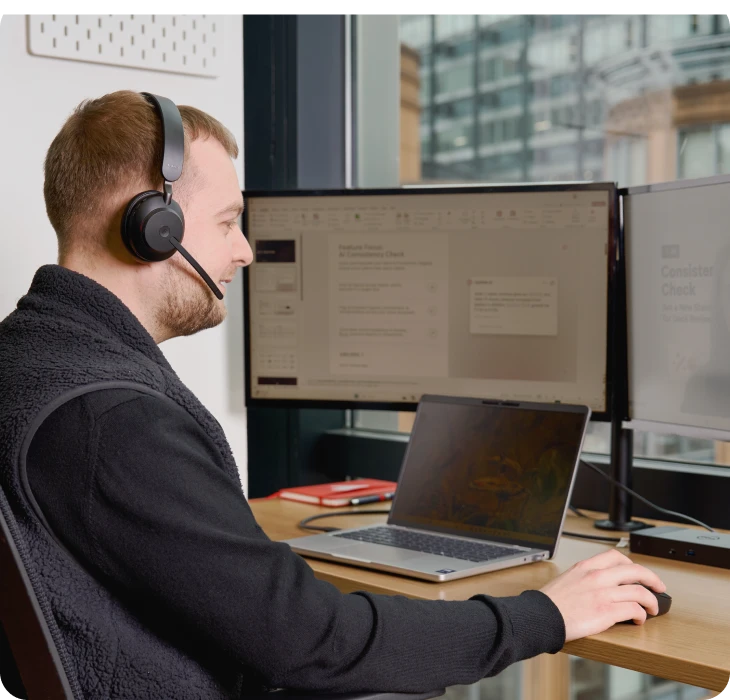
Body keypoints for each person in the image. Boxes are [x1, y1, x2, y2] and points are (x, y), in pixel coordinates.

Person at [0, 90, 666, 699]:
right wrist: (547, 614)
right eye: (229, 221)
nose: (246, 252)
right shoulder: (114, 424)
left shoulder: (28, 357)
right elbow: (313, 643)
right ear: (153, 227)